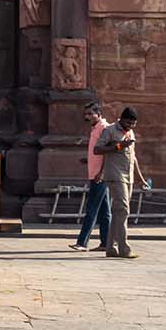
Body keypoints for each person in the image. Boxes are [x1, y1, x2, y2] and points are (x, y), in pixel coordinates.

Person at [94, 105, 148, 258]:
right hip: (115, 175)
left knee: (119, 212)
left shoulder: (130, 132)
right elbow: (97, 150)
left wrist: (141, 179)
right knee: (124, 210)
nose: (130, 126)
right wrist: (118, 146)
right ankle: (124, 248)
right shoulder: (110, 131)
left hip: (128, 176)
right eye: (128, 123)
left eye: (133, 124)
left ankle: (111, 248)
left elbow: (133, 158)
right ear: (122, 119)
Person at [69, 102, 112, 251]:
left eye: (90, 114)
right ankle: (106, 243)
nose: (87, 117)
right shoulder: (96, 128)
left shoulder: (104, 128)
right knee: (104, 212)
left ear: (98, 114)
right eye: (85, 114)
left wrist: (102, 172)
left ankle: (82, 242)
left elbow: (107, 152)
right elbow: (98, 152)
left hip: (99, 175)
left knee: (92, 208)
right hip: (96, 173)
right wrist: (88, 160)